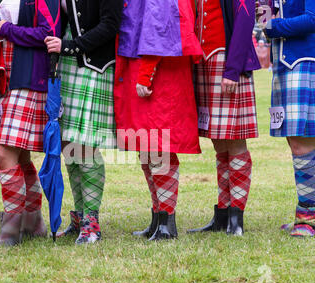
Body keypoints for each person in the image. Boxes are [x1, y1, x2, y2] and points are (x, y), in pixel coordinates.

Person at [114, 0, 203, 241]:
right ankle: (157, 217)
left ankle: (167, 221)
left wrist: (146, 73)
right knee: (147, 147)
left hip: (159, 73)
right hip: (146, 65)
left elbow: (159, 28)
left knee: (159, 147)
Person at [0, 0, 61, 246]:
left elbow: (49, 33)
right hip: (9, 77)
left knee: (5, 153)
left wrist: (5, 29)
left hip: (29, 78)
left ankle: (10, 231)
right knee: (21, 157)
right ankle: (33, 222)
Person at [44, 0, 123, 245]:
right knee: (69, 144)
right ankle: (79, 217)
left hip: (94, 65)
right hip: (67, 65)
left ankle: (92, 221)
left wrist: (70, 46)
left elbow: (110, 25)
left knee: (86, 146)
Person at [262, 0, 315, 237]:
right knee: (298, 143)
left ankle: (307, 216)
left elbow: (313, 20)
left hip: (308, 62)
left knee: (301, 143)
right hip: (291, 63)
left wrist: (271, 26)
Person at [187, 0, 261, 236]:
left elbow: (245, 19)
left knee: (235, 139)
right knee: (218, 140)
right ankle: (223, 213)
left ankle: (236, 218)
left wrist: (233, 69)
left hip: (228, 61)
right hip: (204, 61)